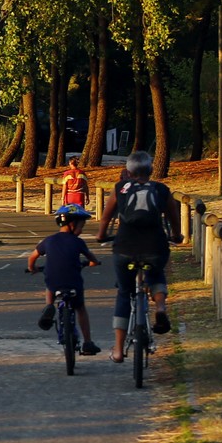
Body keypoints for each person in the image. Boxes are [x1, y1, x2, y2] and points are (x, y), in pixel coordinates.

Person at [94, 149, 181, 362]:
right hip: (155, 245)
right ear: (151, 170)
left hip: (125, 246)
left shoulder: (120, 189)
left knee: (124, 293)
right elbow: (174, 217)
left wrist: (101, 235)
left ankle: (117, 349)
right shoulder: (161, 189)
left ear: (129, 172)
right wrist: (177, 236)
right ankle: (160, 307)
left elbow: (106, 218)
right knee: (156, 274)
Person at [27, 205, 102, 355]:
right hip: (73, 281)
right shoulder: (78, 242)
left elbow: (32, 257)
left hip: (54, 281)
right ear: (72, 224)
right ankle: (87, 342)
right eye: (82, 225)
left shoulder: (49, 240)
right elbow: (92, 259)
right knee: (80, 308)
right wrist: (93, 263)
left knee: (50, 282)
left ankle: (49, 306)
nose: (82, 229)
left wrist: (32, 268)